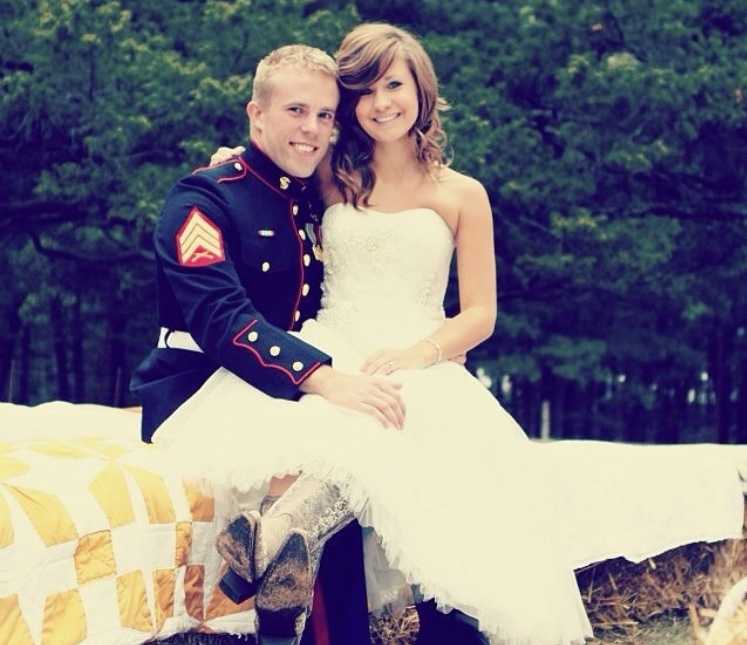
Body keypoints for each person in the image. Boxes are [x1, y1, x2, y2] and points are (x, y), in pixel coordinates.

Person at [154, 23, 745, 645]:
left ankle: (282, 539)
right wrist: (231, 159)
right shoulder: (332, 176)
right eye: (365, 92)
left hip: (421, 352)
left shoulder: (463, 194)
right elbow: (271, 168)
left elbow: (481, 313)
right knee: (341, 424)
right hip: (334, 343)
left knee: (405, 437)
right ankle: (290, 564)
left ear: (421, 92)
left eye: (394, 85)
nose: (381, 103)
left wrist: (422, 353)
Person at [130, 44, 406, 644]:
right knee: (333, 441)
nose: (311, 130)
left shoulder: (315, 195)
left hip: (286, 388)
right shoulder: (202, 199)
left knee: (369, 435)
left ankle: (297, 601)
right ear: (257, 114)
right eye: (296, 111)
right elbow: (222, 318)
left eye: (326, 116)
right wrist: (329, 380)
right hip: (199, 384)